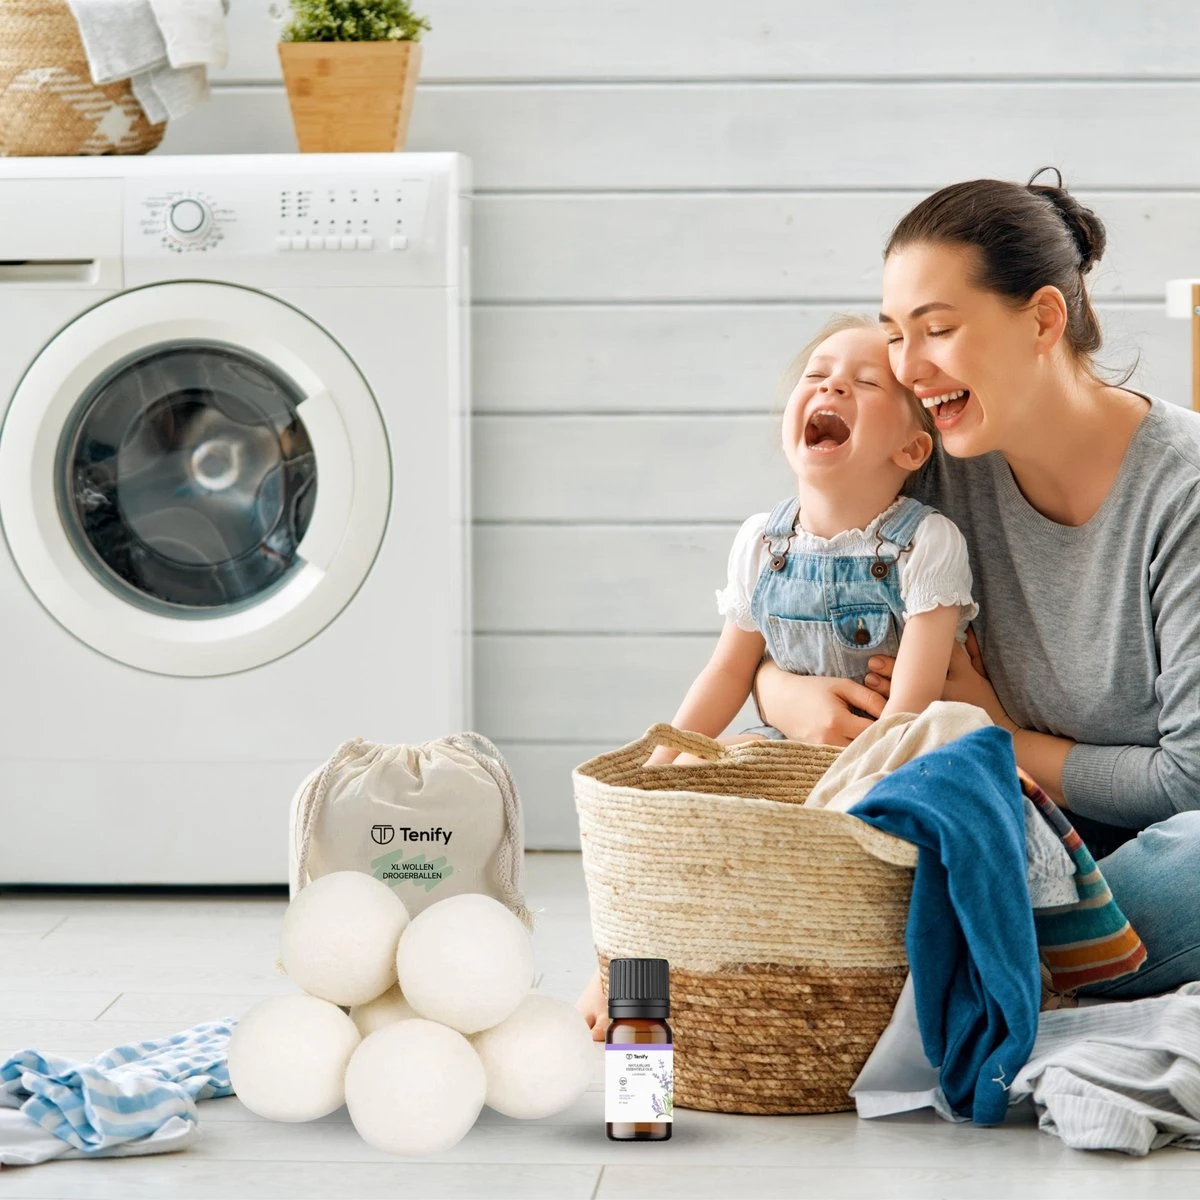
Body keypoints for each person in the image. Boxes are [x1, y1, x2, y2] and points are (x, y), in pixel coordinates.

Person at [754, 170, 1200, 1000]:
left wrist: (992, 733)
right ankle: (1005, 961)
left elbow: (1188, 782)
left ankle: (946, 962)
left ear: (1041, 318)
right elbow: (782, 598)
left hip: (1142, 847)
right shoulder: (933, 462)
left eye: (938, 330)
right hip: (982, 823)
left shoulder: (1184, 493)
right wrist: (784, 691)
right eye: (894, 333)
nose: (910, 368)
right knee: (757, 768)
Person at [576, 315, 979, 1037]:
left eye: (862, 382)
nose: (829, 385)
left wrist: (839, 795)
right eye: (817, 375)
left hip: (879, 764)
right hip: (780, 748)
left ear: (912, 447)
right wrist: (666, 759)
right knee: (694, 833)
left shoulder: (926, 544)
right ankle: (624, 973)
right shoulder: (763, 542)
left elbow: (910, 716)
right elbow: (729, 669)